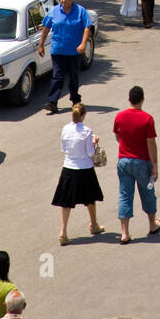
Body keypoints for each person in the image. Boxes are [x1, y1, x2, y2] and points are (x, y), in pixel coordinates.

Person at [113, 85, 160, 243]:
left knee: (124, 195)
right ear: (142, 99)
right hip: (142, 162)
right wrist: (155, 165)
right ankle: (152, 225)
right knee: (148, 193)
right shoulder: (147, 119)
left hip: (123, 161)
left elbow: (118, 136)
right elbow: (151, 144)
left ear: (129, 99)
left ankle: (124, 233)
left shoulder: (120, 116)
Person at [52, 102, 105, 244]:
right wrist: (94, 142)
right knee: (90, 198)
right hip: (85, 168)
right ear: (83, 115)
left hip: (68, 168)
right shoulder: (87, 131)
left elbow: (63, 148)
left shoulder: (65, 129)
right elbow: (90, 152)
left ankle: (63, 232)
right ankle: (94, 225)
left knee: (66, 203)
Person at [38, 0, 93, 116]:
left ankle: (75, 100)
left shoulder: (80, 11)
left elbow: (86, 28)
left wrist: (83, 43)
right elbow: (45, 28)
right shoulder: (54, 11)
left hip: (74, 52)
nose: (63, 0)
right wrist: (41, 45)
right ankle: (52, 102)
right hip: (58, 50)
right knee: (57, 76)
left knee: (73, 77)